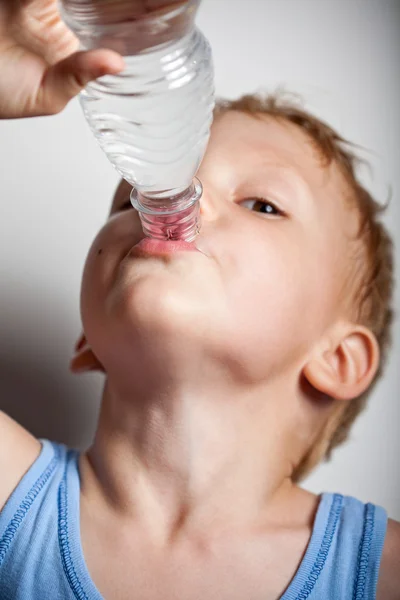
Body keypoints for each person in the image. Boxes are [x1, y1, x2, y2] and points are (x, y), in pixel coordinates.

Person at [0, 1, 399, 599]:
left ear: (336, 358)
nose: (177, 200)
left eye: (262, 203)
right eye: (134, 193)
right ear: (88, 340)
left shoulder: (383, 571)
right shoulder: (11, 495)